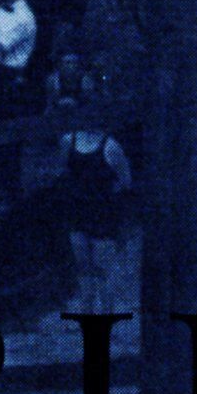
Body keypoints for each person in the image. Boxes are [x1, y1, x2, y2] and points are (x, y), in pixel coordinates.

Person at [56, 80, 134, 313]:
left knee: (103, 271)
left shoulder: (111, 147)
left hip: (103, 215)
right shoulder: (68, 142)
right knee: (84, 270)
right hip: (77, 213)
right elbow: (63, 172)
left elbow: (125, 180)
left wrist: (105, 197)